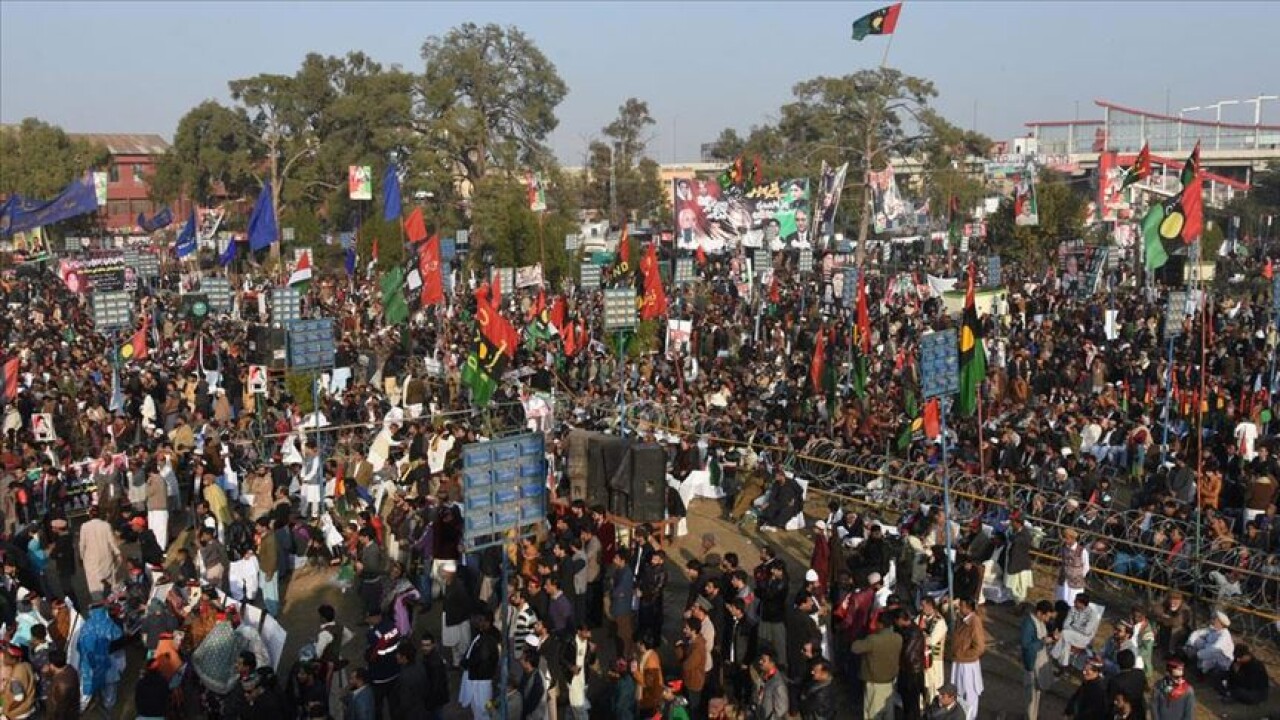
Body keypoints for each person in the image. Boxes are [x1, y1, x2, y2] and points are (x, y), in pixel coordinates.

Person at [851, 606, 902, 720]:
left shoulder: (873, 640)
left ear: (880, 624)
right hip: (890, 682)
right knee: (889, 713)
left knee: (873, 714)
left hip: (875, 682)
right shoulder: (898, 638)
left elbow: (855, 648)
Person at [459, 610, 501, 720]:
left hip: (482, 679)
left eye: (481, 620)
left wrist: (466, 663)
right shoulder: (482, 633)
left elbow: (481, 657)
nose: (478, 622)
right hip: (478, 677)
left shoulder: (490, 637)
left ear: (487, 622)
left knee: (483, 709)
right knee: (476, 708)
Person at [948, 597, 985, 720]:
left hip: (968, 665)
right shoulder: (961, 619)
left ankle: (971, 717)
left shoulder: (974, 622)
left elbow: (979, 647)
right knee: (958, 691)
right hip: (959, 662)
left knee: (970, 693)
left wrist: (963, 655)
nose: (959, 608)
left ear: (968, 608)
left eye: (961, 606)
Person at [1020, 600, 1056, 720]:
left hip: (1039, 660)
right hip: (1032, 662)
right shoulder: (1029, 624)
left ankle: (1034, 716)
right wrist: (1042, 642)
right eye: (1047, 616)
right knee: (1031, 693)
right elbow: (1026, 645)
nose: (1047, 619)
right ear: (1040, 613)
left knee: (1037, 692)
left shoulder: (1039, 622)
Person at [1183, 610, 1235, 675]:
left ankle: (1201, 671)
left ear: (1220, 623)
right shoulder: (1214, 629)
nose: (1213, 621)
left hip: (1221, 660)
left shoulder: (1224, 636)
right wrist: (1190, 644)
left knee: (1209, 659)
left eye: (1215, 620)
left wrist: (1197, 655)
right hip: (1208, 650)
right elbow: (1197, 633)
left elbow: (1214, 650)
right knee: (1197, 641)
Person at [1150, 590, 1193, 659]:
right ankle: (1153, 641)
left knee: (1177, 629)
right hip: (1167, 623)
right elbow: (1155, 608)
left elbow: (1176, 622)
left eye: (1176, 600)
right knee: (1153, 620)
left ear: (1181, 600)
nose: (1173, 602)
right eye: (1172, 599)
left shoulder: (1185, 609)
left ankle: (1172, 651)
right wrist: (1162, 615)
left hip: (1182, 631)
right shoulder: (1166, 603)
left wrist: (1163, 618)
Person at [1107, 650, 1147, 720]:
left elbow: (1110, 699)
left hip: (1123, 712)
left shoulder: (1115, 681)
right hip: (1140, 709)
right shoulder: (1140, 674)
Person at [1055, 527, 1089, 605]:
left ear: (1072, 538)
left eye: (1067, 538)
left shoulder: (1082, 551)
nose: (1065, 540)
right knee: (1061, 600)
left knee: (1072, 601)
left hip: (1076, 582)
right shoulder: (1064, 548)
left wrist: (1078, 575)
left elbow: (1086, 566)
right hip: (1064, 579)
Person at [753, 648, 788, 720]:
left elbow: (781, 709)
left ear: (772, 663)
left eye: (763, 660)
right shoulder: (762, 677)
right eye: (760, 659)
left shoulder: (778, 683)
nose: (760, 662)